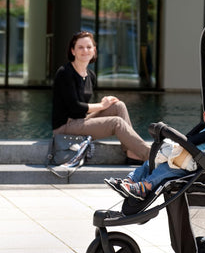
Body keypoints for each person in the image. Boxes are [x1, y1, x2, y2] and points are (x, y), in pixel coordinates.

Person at [105, 94, 205, 200]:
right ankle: (130, 181)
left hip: (190, 165)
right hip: (178, 156)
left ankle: (144, 187)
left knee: (166, 169)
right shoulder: (202, 129)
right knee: (148, 163)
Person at [52, 31, 150, 163]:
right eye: (80, 47)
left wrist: (107, 103)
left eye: (88, 47)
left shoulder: (90, 75)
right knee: (117, 123)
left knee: (118, 106)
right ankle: (151, 156)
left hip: (81, 121)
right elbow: (74, 107)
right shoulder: (65, 72)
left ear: (94, 50)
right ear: (73, 51)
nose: (85, 50)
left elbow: (82, 109)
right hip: (65, 127)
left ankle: (132, 152)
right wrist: (102, 105)